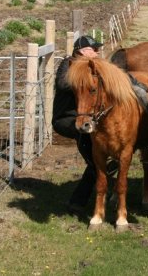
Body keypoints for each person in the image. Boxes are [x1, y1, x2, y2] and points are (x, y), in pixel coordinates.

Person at [52, 34, 110, 215]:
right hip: (67, 119)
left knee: (102, 160)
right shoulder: (68, 63)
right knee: (96, 162)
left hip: (86, 119)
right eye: (94, 49)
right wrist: (83, 77)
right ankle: (80, 201)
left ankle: (91, 197)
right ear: (82, 51)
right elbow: (62, 84)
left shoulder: (93, 67)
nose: (98, 52)